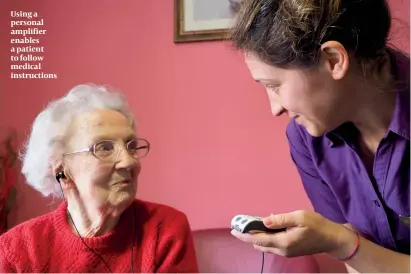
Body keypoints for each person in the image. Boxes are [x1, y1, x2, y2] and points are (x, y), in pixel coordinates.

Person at [228, 0, 410, 273]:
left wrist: (337, 241)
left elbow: (348, 244)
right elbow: (360, 264)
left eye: (274, 86)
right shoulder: (307, 139)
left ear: (333, 60)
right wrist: (343, 242)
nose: (274, 109)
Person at [0, 84, 199, 273]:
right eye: (104, 147)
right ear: (61, 169)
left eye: (131, 145)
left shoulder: (164, 231)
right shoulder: (17, 249)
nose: (129, 162)